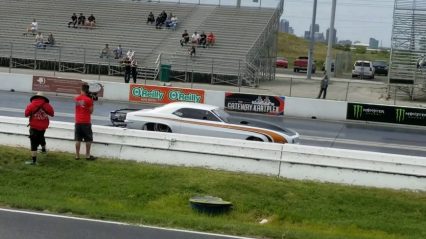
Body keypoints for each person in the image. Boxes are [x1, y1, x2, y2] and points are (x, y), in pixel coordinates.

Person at [24, 92, 54, 165]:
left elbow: (26, 114)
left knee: (33, 143)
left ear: (35, 97)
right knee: (41, 137)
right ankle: (43, 149)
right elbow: (52, 114)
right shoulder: (47, 105)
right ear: (43, 98)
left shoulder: (31, 105)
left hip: (34, 126)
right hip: (43, 126)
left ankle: (34, 161)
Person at [74, 83, 96, 160]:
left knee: (78, 139)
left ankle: (77, 156)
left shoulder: (76, 98)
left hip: (78, 121)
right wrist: (92, 102)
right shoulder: (89, 100)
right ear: (87, 90)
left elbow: (80, 106)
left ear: (81, 89)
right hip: (86, 121)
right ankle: (87, 155)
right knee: (88, 139)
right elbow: (91, 111)